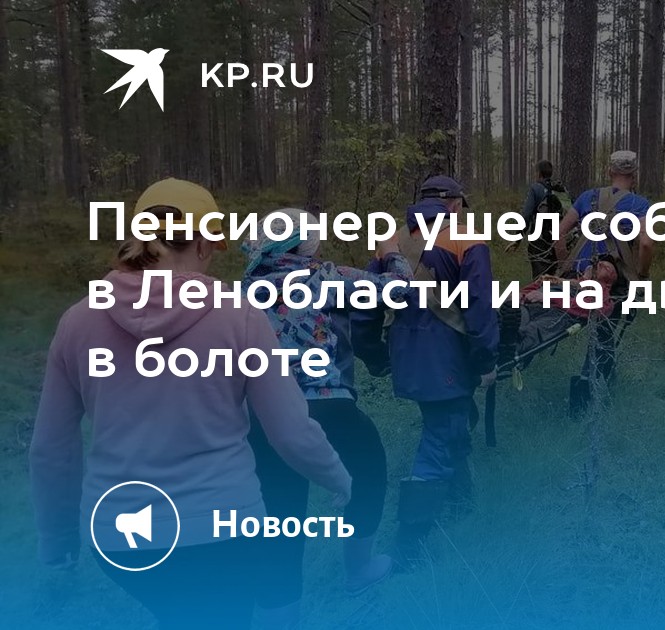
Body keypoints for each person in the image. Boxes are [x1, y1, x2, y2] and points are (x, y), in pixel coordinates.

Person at [29, 179, 352, 630]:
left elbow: (51, 448)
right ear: (201, 244)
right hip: (223, 531)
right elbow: (291, 431)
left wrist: (58, 539)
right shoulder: (238, 316)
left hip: (119, 539)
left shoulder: (78, 320)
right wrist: (339, 479)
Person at [240, 208, 414, 620]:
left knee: (279, 512)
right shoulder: (322, 276)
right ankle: (360, 570)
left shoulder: (244, 289)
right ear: (304, 244)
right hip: (325, 402)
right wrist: (391, 251)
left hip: (263, 412)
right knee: (368, 471)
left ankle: (280, 612)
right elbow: (399, 289)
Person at [353, 175, 498, 566]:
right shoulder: (466, 237)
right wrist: (486, 359)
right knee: (440, 437)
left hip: (406, 356)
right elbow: (480, 303)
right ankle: (408, 546)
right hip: (447, 357)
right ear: (454, 204)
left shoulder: (391, 242)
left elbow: (365, 303)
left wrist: (374, 354)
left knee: (449, 424)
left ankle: (463, 504)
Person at [552, 150, 656, 411]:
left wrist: (567, 268)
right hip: (614, 279)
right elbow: (646, 243)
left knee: (595, 331)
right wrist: (642, 275)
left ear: (609, 171)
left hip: (579, 277)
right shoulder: (640, 204)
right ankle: (591, 388)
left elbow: (558, 236)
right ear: (634, 174)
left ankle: (599, 381)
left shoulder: (588, 197)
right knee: (606, 333)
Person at [513, 160, 572, 278]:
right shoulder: (561, 189)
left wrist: (517, 238)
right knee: (555, 278)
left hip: (539, 241)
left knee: (540, 279)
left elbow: (526, 215)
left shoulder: (536, 188)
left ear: (539, 173)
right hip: (559, 241)